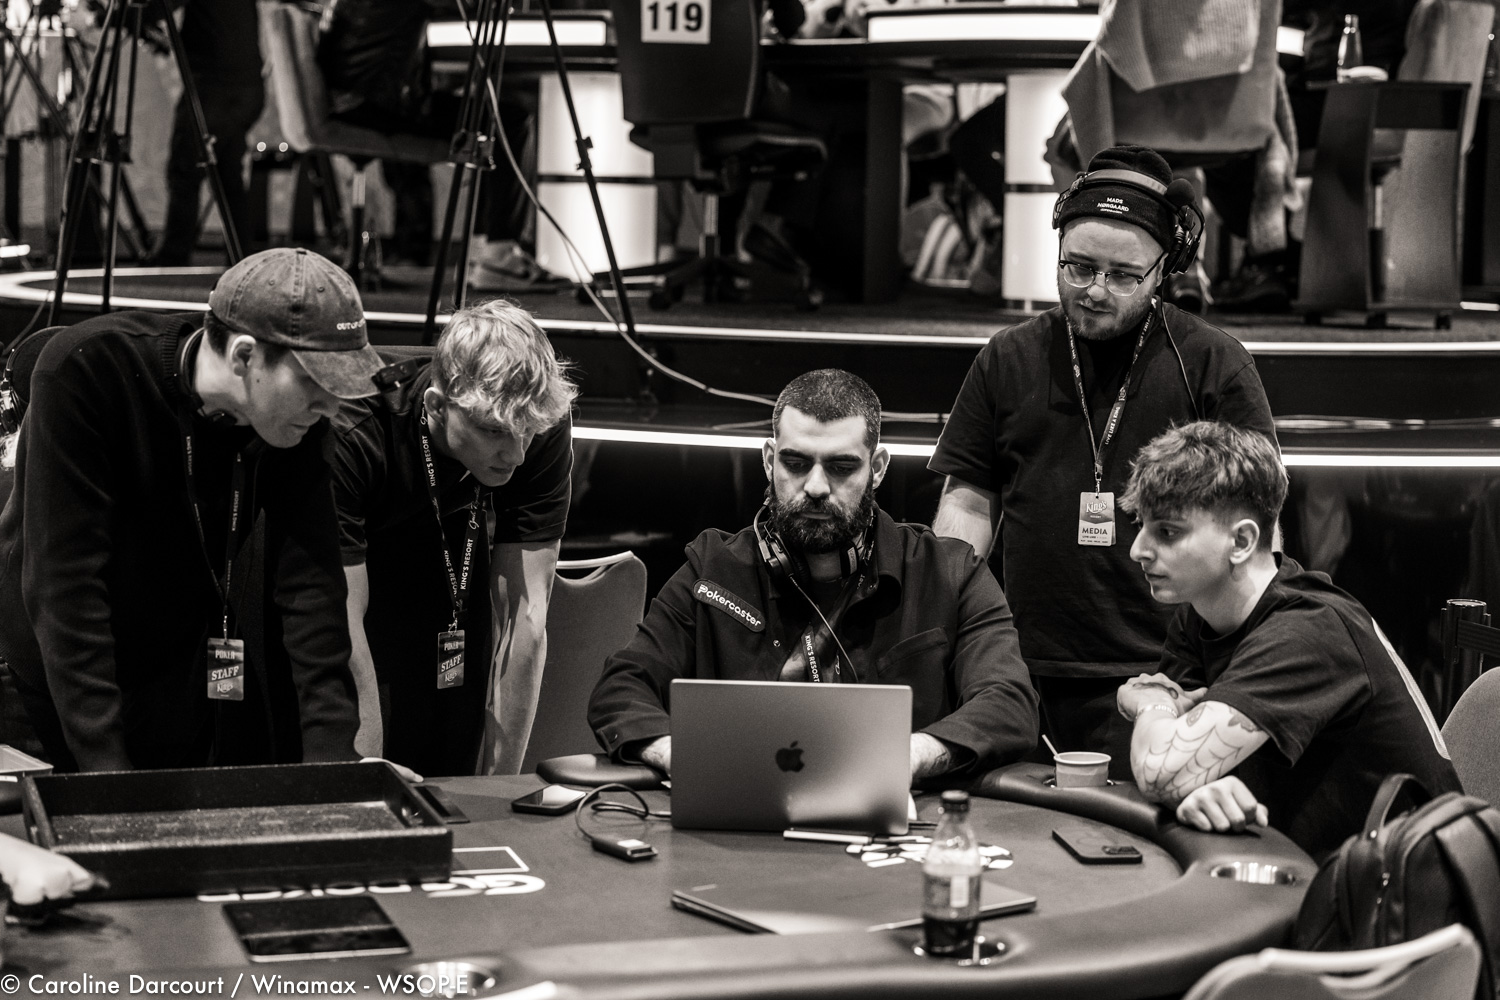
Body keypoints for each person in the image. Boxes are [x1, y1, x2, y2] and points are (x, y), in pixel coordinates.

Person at [929, 144, 1276, 780]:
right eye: (1079, 267)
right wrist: (947, 632)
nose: (1093, 291)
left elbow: (1259, 532)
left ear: (1164, 270)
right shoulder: (1007, 358)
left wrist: (1243, 669)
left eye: (1122, 276)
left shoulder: (1214, 364)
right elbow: (968, 503)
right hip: (1017, 676)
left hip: (1166, 684)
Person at [0, 248, 376, 772]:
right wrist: (107, 776)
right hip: (49, 681)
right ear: (243, 357)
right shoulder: (87, 369)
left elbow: (312, 586)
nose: (330, 407)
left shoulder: (295, 425)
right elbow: (65, 588)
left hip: (172, 677)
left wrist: (334, 762)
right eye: (315, 382)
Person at [589, 369, 1039, 780]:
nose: (817, 487)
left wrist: (913, 755)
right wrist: (679, 755)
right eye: (796, 463)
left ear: (877, 468)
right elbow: (622, 686)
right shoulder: (712, 570)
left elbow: (1010, 702)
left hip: (902, 821)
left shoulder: (950, 572)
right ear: (769, 461)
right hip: (736, 820)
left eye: (841, 467)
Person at [1116, 421, 1460, 860]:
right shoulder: (1200, 612)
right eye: (1141, 525)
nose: (1138, 550)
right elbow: (1178, 762)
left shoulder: (1309, 631)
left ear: (1242, 541)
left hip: (1407, 885)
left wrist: (1149, 703)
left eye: (1167, 532)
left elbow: (1159, 767)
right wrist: (1195, 787)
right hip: (1306, 868)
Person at [332, 299, 576, 776]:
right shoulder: (356, 427)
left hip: (450, 572)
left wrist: (501, 791)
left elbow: (526, 618)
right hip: (353, 574)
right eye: (494, 431)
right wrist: (366, 784)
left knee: (457, 766)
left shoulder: (535, 418)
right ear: (437, 407)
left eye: (526, 432)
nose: (517, 454)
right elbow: (340, 624)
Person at [152, 0, 265, 266]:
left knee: (184, 172)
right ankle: (241, 258)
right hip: (248, 88)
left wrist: (111, 16)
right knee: (228, 175)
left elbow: (155, 8)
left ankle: (173, 255)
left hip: (213, 87)